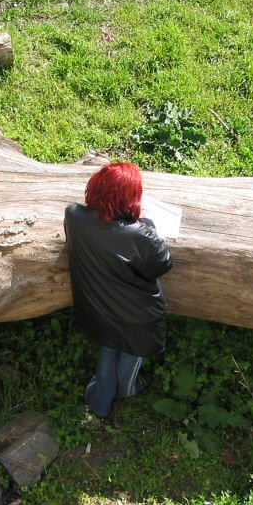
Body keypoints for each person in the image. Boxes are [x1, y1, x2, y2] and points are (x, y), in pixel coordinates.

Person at [64, 162, 173, 419]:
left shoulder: (74, 216)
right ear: (130, 198)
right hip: (138, 316)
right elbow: (163, 264)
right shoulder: (140, 234)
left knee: (109, 344)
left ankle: (99, 399)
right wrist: (147, 223)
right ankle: (125, 389)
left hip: (99, 307)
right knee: (130, 351)